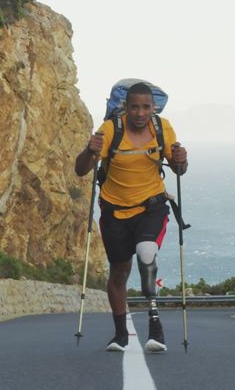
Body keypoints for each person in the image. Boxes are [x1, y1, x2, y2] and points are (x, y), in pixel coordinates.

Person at [74, 82, 188, 353]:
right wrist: (91, 150)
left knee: (147, 253)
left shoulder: (162, 128)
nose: (140, 112)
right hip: (114, 211)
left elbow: (178, 169)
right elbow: (81, 170)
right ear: (126, 107)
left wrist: (182, 160)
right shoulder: (111, 129)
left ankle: (155, 327)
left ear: (153, 107)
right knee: (119, 273)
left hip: (152, 206)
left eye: (146, 107)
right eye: (134, 107)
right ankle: (120, 335)